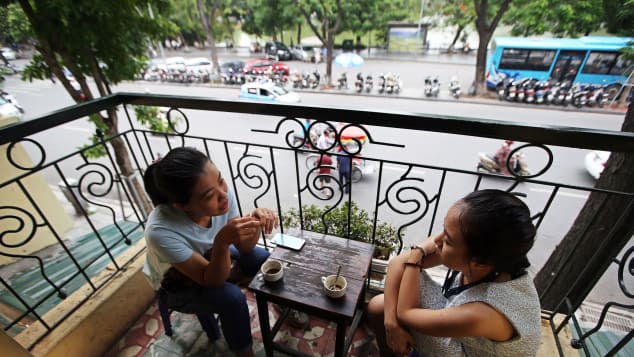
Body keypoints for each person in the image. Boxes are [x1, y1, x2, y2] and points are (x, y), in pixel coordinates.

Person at [367, 189, 541, 357]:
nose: (437, 239)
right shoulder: (486, 256)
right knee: (380, 305)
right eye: (443, 229)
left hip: (471, 351)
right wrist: (391, 324)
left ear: (479, 262)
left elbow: (406, 312)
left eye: (448, 240)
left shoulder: (484, 314)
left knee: (388, 300)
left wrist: (416, 254)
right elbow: (398, 263)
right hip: (466, 329)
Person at [142, 147, 279, 357]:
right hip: (175, 284)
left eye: (221, 180)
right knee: (232, 299)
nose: (223, 194)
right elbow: (211, 279)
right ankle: (244, 353)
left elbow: (244, 247)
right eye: (209, 195)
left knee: (263, 259)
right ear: (181, 205)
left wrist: (254, 222)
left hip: (210, 253)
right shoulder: (160, 231)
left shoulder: (221, 194)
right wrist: (222, 243)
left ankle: (282, 305)